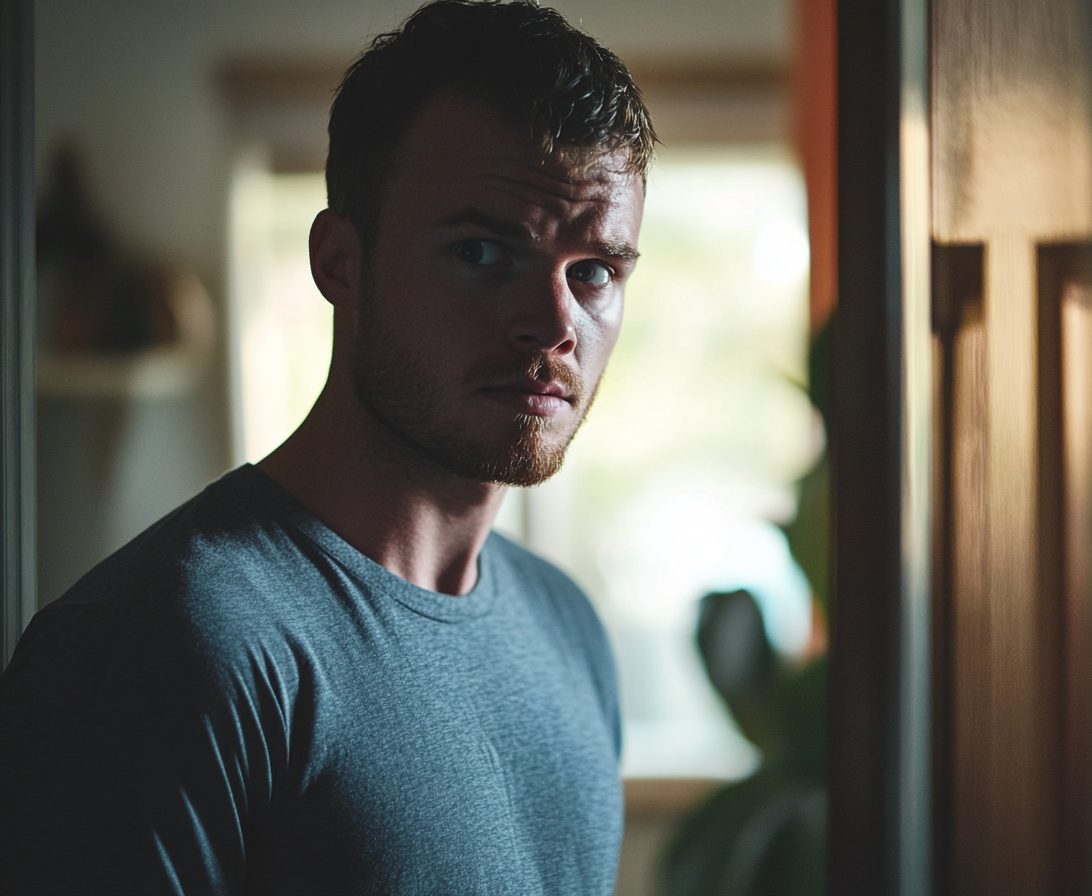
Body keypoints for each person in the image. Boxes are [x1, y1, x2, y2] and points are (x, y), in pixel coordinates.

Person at [0, 2, 654, 892]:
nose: (553, 323)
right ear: (339, 261)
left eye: (595, 272)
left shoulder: (568, 629)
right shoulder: (156, 650)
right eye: (480, 252)